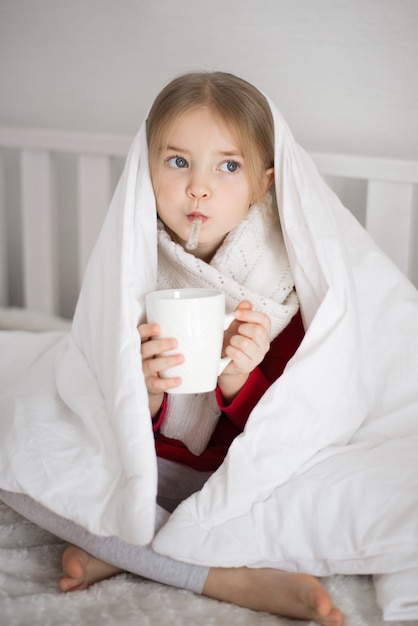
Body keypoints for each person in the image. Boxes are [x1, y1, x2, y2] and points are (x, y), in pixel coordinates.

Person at [56, 71, 343, 625]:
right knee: (46, 461)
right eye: (178, 161)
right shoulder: (130, 260)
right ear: (147, 169)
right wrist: (141, 390)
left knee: (310, 492)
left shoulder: (289, 278)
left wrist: (240, 378)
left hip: (239, 464)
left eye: (228, 166)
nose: (199, 187)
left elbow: (301, 420)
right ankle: (205, 566)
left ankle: (134, 552)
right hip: (162, 461)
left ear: (265, 184)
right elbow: (98, 382)